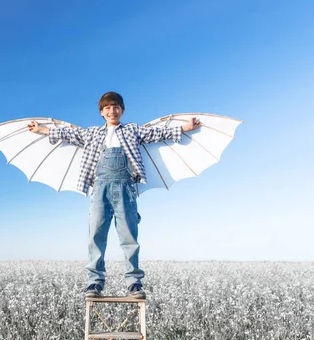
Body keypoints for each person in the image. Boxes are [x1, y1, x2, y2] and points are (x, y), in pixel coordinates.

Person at [28, 92, 200, 299]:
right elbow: (68, 134)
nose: (112, 111)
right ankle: (94, 283)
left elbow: (157, 133)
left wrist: (186, 127)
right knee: (96, 235)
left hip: (126, 187)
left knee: (129, 237)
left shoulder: (132, 130)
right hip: (99, 187)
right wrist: (41, 129)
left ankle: (134, 282)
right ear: (101, 112)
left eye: (116, 107)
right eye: (107, 108)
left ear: (122, 110)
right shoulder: (91, 133)